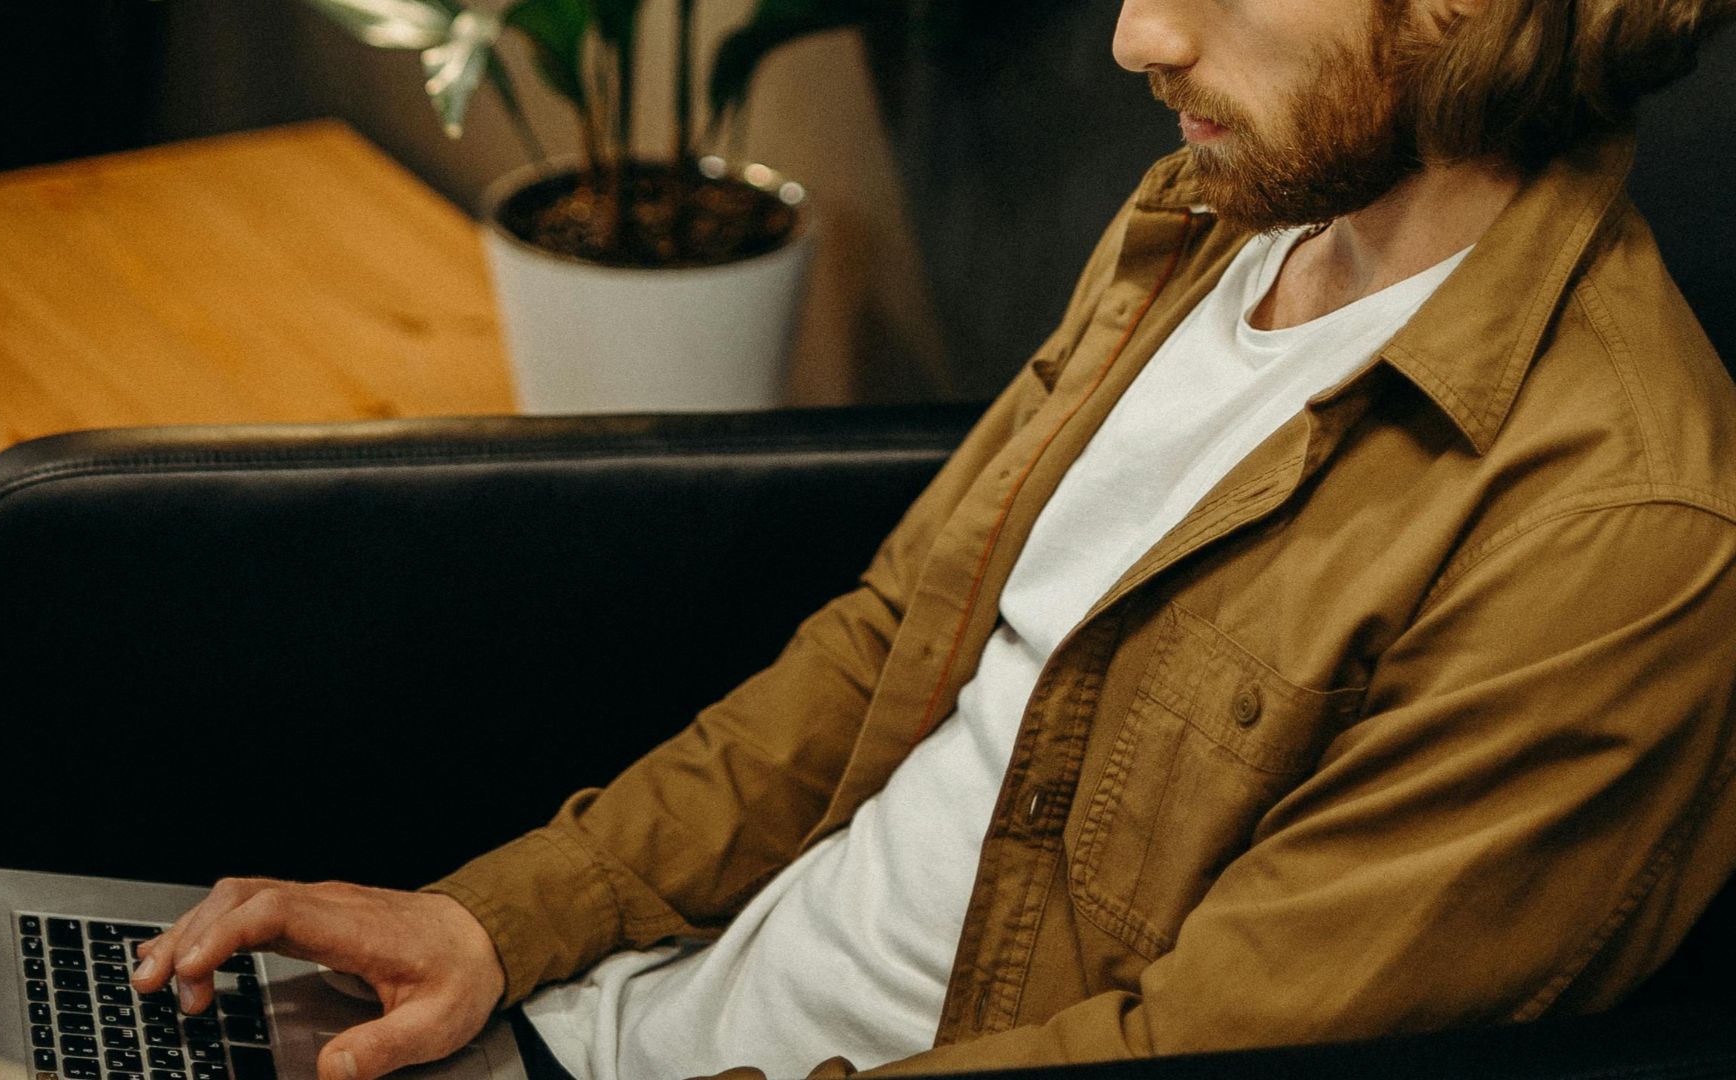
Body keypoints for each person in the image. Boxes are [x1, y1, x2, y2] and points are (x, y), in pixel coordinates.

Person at [134, 0, 1736, 1076]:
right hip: (615, 1015)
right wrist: (500, 920)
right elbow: (885, 641)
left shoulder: (1617, 529)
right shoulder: (1207, 219)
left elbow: (1202, 1044)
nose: (1136, 35)